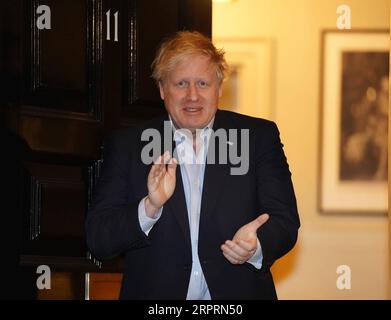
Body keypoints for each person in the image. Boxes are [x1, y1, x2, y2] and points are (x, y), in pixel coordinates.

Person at [86, 31, 300, 300]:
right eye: (181, 84)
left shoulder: (258, 137)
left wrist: (256, 246)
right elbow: (99, 239)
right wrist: (149, 207)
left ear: (219, 87)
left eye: (202, 83)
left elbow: (285, 220)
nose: (193, 96)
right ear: (162, 89)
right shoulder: (130, 145)